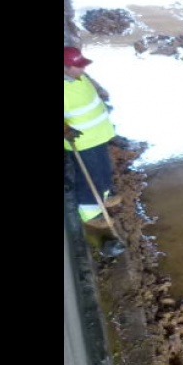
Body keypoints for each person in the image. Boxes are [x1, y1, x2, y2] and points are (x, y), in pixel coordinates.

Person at [64, 45, 121, 230]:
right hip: (82, 141)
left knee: (103, 169)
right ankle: (90, 214)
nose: (83, 68)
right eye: (78, 65)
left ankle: (104, 198)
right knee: (90, 175)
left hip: (98, 135)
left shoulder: (78, 78)